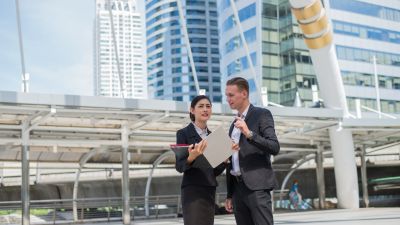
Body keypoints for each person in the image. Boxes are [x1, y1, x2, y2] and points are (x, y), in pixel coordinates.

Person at [224, 77, 280, 225]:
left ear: (244, 93)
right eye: (226, 95)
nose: (228, 99)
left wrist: (249, 134)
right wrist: (230, 194)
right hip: (237, 189)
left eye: (231, 95)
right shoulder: (233, 125)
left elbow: (274, 147)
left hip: (257, 188)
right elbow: (232, 162)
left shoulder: (262, 114)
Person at [175, 95, 226, 225]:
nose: (205, 109)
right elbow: (179, 167)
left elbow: (213, 171)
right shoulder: (183, 133)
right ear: (192, 110)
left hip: (209, 189)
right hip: (192, 189)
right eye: (201, 106)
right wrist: (191, 157)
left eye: (208, 106)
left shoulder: (214, 137)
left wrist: (225, 161)